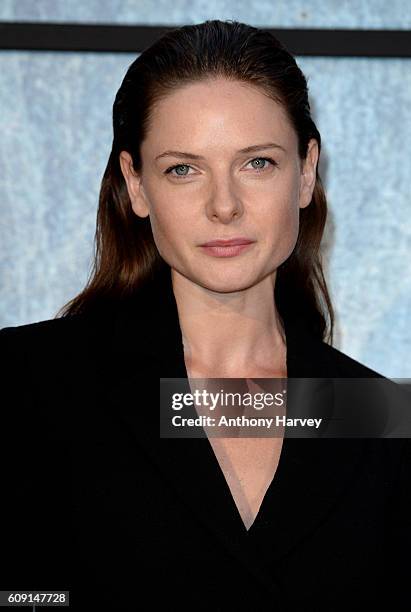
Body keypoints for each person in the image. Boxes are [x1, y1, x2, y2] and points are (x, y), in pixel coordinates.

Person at [0, 19, 409, 612]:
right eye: (182, 169)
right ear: (135, 185)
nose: (224, 206)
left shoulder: (374, 414)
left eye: (258, 163)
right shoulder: (28, 382)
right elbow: (20, 596)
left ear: (307, 171)